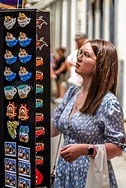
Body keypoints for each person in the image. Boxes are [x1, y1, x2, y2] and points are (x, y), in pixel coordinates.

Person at [51, 39, 125, 187]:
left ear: (100, 64)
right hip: (64, 171)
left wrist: (86, 150)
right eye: (80, 53)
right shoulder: (73, 92)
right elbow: (55, 126)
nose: (79, 57)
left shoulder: (108, 102)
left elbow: (118, 147)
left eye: (86, 55)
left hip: (90, 175)